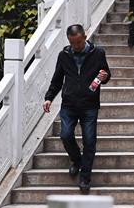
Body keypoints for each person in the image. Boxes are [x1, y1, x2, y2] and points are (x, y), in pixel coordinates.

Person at [42, 24, 111, 193]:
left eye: (79, 42)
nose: (76, 46)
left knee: (89, 141)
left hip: (90, 104)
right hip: (69, 104)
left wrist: (104, 77)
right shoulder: (64, 55)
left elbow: (106, 74)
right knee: (65, 135)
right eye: (72, 43)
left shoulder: (98, 53)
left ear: (85, 37)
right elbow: (57, 79)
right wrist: (49, 98)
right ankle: (76, 160)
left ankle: (85, 178)